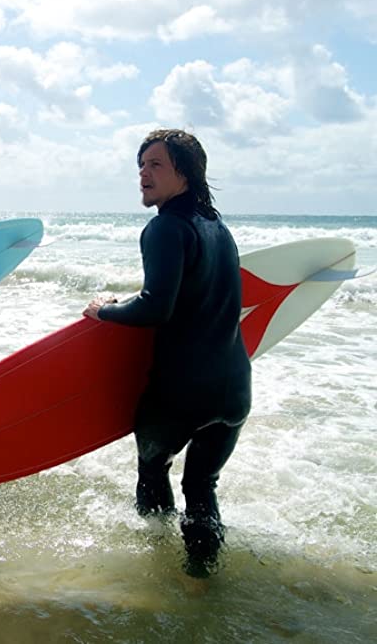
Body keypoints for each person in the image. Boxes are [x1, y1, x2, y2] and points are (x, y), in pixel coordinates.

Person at [83, 129, 251, 578]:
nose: (143, 172)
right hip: (233, 390)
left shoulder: (164, 228)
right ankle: (202, 579)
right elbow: (193, 296)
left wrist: (105, 311)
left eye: (155, 164)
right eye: (141, 164)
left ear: (186, 172)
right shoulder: (218, 228)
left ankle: (156, 562)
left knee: (153, 471)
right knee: (201, 485)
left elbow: (156, 307)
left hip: (182, 393)